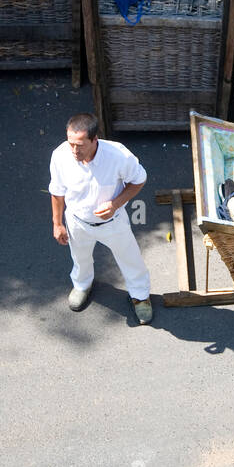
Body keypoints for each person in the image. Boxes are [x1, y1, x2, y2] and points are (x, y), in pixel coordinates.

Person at [49, 113, 153, 324]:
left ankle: (140, 296)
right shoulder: (60, 156)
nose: (74, 151)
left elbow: (139, 180)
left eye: (80, 145)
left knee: (131, 259)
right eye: (71, 144)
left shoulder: (119, 156)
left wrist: (114, 204)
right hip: (77, 222)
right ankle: (82, 285)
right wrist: (57, 223)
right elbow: (57, 192)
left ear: (95, 139)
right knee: (80, 258)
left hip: (113, 223)